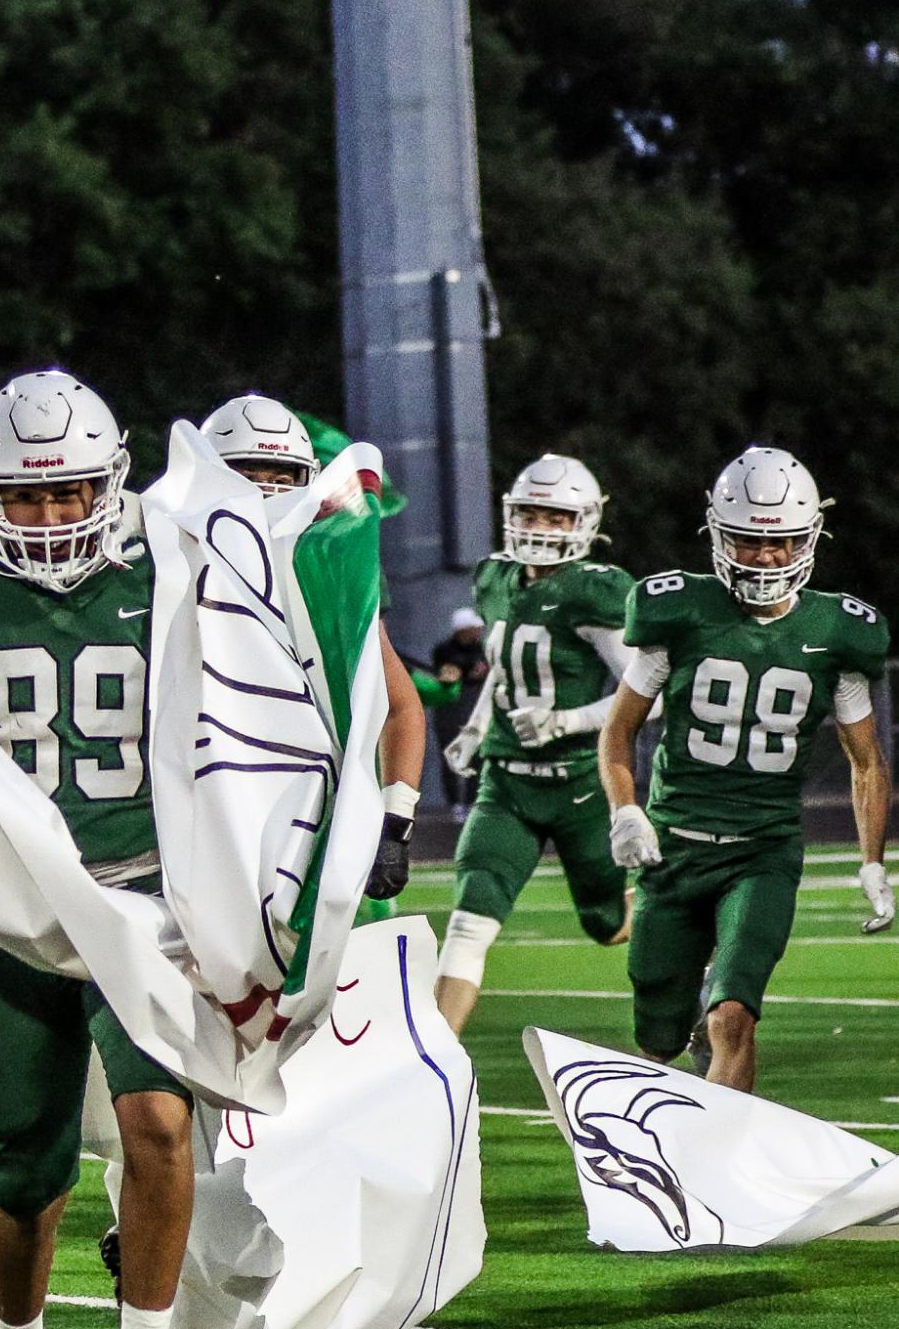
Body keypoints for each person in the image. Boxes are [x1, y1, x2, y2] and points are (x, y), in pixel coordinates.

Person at [601, 447, 891, 1091]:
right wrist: (626, 810)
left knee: (735, 1017)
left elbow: (866, 761)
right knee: (656, 1033)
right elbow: (618, 732)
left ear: (809, 540)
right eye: (749, 540)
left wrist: (871, 859)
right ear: (718, 535)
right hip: (673, 849)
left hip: (763, 851)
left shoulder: (837, 631)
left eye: (783, 543)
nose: (766, 557)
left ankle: (719, 1173)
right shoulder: (678, 614)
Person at [431, 456, 637, 1033]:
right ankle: (426, 1066)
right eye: (530, 512)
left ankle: (686, 947)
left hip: (580, 783)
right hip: (508, 783)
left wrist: (565, 722)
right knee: (470, 920)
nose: (541, 527)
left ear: (585, 523)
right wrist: (475, 729)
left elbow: (648, 691)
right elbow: (503, 669)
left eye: (556, 516)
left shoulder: (596, 590)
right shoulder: (495, 577)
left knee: (606, 924)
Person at [196, 393, 428, 902]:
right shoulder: (167, 574)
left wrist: (394, 824)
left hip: (319, 823)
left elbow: (401, 705)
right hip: (209, 828)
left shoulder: (324, 572)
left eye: (281, 476)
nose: (266, 491)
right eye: (247, 474)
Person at [430, 607, 488, 822]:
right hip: (450, 711)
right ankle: (456, 803)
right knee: (451, 757)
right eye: (473, 629)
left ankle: (472, 801)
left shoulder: (480, 649)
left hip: (475, 709)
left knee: (476, 757)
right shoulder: (445, 650)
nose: (477, 633)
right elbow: (450, 673)